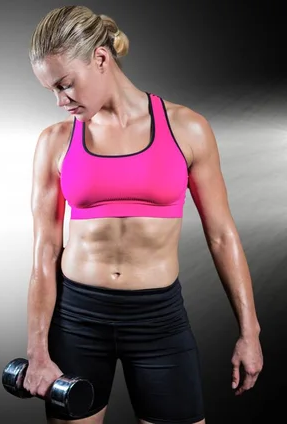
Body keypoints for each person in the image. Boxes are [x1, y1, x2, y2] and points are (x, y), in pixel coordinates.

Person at [22, 5, 263, 424]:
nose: (62, 101)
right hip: (78, 320)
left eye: (66, 85)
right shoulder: (54, 142)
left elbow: (222, 236)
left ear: (100, 58)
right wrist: (37, 350)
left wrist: (250, 331)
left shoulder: (186, 128)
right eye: (52, 92)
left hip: (158, 320)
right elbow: (45, 252)